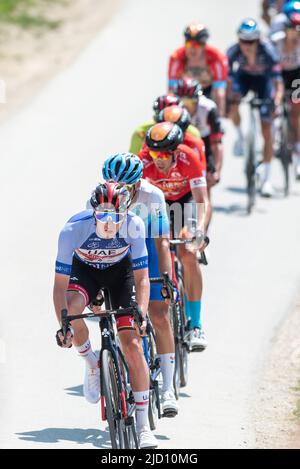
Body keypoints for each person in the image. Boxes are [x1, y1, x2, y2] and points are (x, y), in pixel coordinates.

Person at [54, 181, 157, 449]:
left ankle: (144, 426)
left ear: (125, 212)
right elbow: (59, 287)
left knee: (133, 345)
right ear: (93, 211)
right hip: (85, 271)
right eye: (102, 215)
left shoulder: (135, 225)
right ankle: (91, 362)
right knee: (72, 308)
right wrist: (64, 326)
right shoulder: (73, 229)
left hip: (120, 275)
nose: (109, 222)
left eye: (115, 216)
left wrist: (142, 313)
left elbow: (142, 278)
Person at [101, 153, 179, 416]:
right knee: (130, 324)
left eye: (125, 187)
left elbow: (161, 242)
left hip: (149, 247)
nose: (119, 191)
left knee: (157, 314)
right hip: (120, 253)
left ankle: (168, 387)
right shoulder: (102, 196)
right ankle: (137, 378)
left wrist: (167, 280)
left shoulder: (152, 196)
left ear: (137, 184)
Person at [139, 122, 209, 351]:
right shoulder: (143, 161)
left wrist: (199, 230)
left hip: (185, 202)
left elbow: (202, 200)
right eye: (153, 153)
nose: (157, 159)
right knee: (157, 249)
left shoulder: (190, 158)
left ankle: (196, 324)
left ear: (175, 152)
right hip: (159, 205)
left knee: (187, 253)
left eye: (163, 154)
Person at [227, 18, 284, 197]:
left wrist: (277, 100)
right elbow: (227, 79)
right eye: (243, 41)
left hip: (263, 81)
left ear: (258, 40)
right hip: (243, 78)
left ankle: (266, 180)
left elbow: (278, 81)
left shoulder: (269, 51)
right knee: (233, 101)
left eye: (251, 41)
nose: (247, 45)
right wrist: (229, 101)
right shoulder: (233, 50)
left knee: (267, 130)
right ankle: (240, 138)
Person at [172, 78, 224, 228]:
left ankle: (203, 234)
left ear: (198, 100)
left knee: (204, 189)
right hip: (180, 142)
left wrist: (216, 171)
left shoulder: (208, 109)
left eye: (190, 103)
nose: (186, 107)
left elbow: (217, 144)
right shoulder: (172, 108)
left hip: (204, 143)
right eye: (183, 103)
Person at [168, 23, 228, 116]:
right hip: (185, 93)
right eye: (189, 44)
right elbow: (171, 90)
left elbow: (219, 91)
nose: (192, 49)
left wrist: (219, 115)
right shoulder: (176, 57)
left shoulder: (217, 58)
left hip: (209, 91)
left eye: (196, 45)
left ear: (204, 45)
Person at [271, 2, 300, 178]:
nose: (296, 35)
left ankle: (297, 153)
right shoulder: (276, 40)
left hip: (296, 75)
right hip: (278, 73)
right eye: (293, 31)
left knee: (296, 111)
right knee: (275, 107)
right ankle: (275, 139)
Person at [129, 94, 199, 155]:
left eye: (172, 120)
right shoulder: (141, 131)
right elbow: (134, 158)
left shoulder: (193, 134)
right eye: (161, 121)